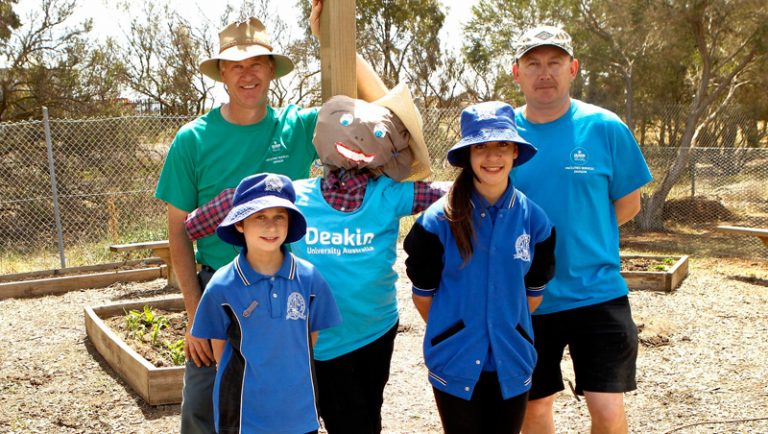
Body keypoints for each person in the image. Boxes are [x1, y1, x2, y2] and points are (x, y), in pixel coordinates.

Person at [154, 6, 387, 433]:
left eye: (256, 63)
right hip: (219, 293)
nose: (247, 75)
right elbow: (177, 231)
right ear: (222, 73)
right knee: (208, 406)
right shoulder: (193, 139)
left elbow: (380, 116)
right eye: (236, 65)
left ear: (271, 70)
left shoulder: (296, 127)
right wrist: (193, 313)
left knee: (285, 404)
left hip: (286, 288)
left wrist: (333, 42)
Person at [184, 83, 449, 434]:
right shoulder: (298, 195)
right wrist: (207, 218)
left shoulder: (390, 194)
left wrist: (487, 181)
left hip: (373, 329)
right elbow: (226, 208)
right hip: (312, 336)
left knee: (365, 415)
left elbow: (446, 194)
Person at [510, 26, 653, 434]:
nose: (544, 73)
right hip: (528, 299)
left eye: (554, 62)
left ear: (573, 68)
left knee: (607, 411)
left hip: (598, 293)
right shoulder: (503, 136)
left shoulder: (605, 128)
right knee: (534, 411)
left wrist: (585, 236)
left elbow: (628, 204)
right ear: (516, 72)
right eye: (533, 63)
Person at [403, 101, 556, 434]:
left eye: (502, 145)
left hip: (512, 358)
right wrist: (459, 328)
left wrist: (502, 324)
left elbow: (532, 294)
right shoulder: (436, 222)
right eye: (481, 147)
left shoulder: (536, 221)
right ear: (467, 155)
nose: (492, 157)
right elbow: (424, 297)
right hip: (455, 358)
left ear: (515, 151)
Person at [191, 173, 340, 434]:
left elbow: (309, 338)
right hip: (243, 417)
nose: (270, 228)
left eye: (279, 217)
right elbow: (219, 349)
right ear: (239, 224)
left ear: (290, 222)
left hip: (299, 415)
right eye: (259, 217)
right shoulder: (222, 286)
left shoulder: (309, 279)